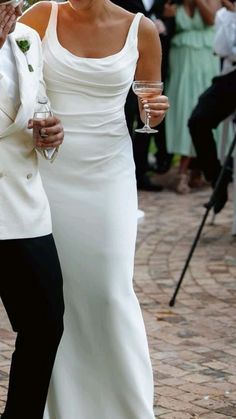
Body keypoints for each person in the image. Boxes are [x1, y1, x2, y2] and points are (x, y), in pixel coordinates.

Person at [20, 1, 169, 418]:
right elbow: (14, 85)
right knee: (57, 294)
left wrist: (153, 112)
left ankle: (126, 408)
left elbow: (150, 106)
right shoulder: (38, 16)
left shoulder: (141, 30)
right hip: (50, 171)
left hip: (109, 173)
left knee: (108, 290)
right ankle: (65, 409)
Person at [0, 1, 65, 418]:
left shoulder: (27, 38)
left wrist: (52, 134)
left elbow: (36, 105)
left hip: (22, 208)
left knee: (45, 323)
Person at [112, 0, 175, 191]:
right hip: (123, 68)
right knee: (124, 120)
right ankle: (121, 173)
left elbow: (172, 26)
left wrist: (165, 25)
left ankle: (140, 174)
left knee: (145, 122)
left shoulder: (163, 2)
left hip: (153, 68)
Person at [165, 0, 221, 194]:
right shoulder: (172, 4)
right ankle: (186, 171)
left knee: (199, 110)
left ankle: (194, 170)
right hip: (181, 67)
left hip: (204, 64)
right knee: (182, 111)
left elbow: (212, 19)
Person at [188, 0, 236, 214]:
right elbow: (221, 48)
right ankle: (217, 178)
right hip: (229, 77)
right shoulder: (223, 15)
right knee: (197, 120)